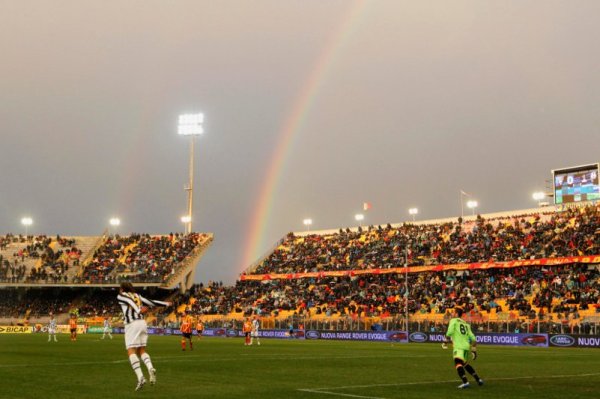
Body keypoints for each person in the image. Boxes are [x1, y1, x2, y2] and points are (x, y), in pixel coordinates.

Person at [117, 282, 171, 391]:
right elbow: (150, 302)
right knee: (141, 350)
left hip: (132, 324)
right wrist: (165, 303)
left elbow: (129, 301)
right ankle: (150, 368)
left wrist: (137, 310)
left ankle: (140, 377)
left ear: (122, 289)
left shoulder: (121, 295)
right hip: (142, 323)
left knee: (131, 351)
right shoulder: (137, 296)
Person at [443, 307, 484, 389]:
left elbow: (449, 332)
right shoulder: (466, 324)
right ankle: (478, 379)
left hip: (458, 346)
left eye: (454, 312)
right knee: (464, 364)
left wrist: (445, 342)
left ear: (457, 314)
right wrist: (474, 351)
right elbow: (473, 339)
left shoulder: (453, 321)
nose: (453, 314)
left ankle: (465, 382)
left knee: (457, 363)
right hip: (466, 347)